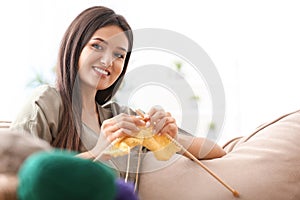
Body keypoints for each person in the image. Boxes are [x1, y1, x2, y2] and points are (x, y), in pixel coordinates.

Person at [10, 5, 225, 189]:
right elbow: (14, 177)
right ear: (76, 46)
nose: (107, 61)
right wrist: (97, 153)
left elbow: (215, 152)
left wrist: (172, 136)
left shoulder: (119, 118)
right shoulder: (47, 102)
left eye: (119, 55)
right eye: (97, 46)